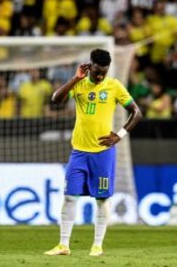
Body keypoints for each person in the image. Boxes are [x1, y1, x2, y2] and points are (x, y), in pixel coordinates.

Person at [44, 49, 142, 257]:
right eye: (97, 71)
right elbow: (56, 99)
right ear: (90, 66)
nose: (100, 76)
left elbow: (137, 112)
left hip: (103, 154)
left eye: (104, 72)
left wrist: (120, 134)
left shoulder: (114, 86)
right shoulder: (79, 84)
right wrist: (75, 78)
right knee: (70, 197)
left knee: (101, 200)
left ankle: (97, 245)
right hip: (78, 152)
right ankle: (63, 245)